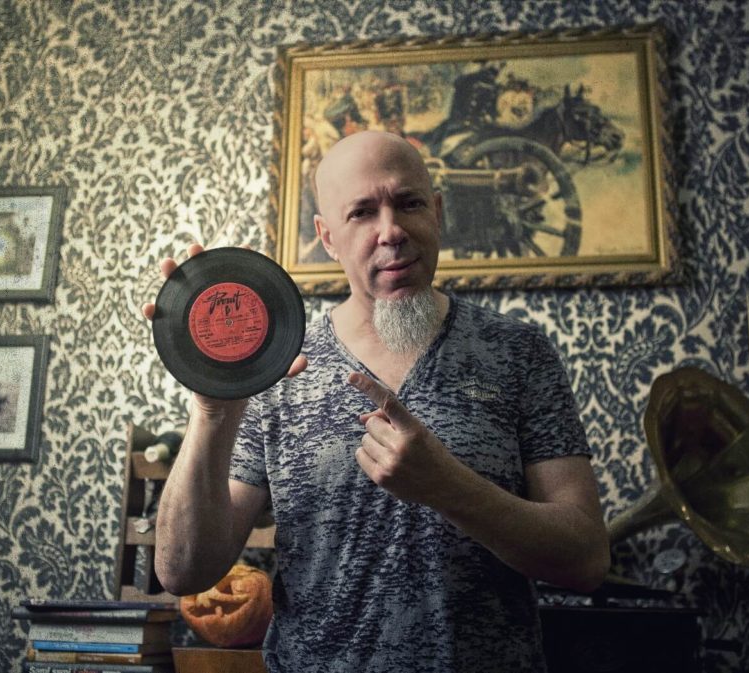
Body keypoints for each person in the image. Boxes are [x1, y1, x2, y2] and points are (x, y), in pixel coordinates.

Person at [145, 130, 609, 673]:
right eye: (362, 212)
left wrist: (448, 487)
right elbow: (182, 571)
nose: (391, 232)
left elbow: (587, 560)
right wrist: (212, 409)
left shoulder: (518, 353)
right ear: (328, 237)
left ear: (436, 213)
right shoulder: (279, 367)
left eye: (409, 203)